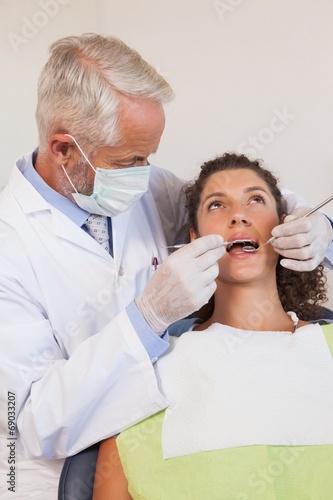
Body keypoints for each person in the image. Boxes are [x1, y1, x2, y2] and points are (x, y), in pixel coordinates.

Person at [0, 33, 332, 497]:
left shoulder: (141, 185)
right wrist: (146, 320)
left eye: (149, 156)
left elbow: (240, 199)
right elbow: (31, 421)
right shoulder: (9, 248)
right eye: (132, 159)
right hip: (47, 474)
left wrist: (321, 226)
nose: (147, 172)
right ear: (63, 149)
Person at [93, 153, 333, 500]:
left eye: (255, 199)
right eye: (217, 205)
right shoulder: (146, 375)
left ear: (287, 227)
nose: (239, 215)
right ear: (193, 240)